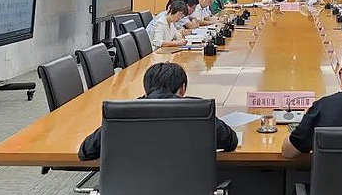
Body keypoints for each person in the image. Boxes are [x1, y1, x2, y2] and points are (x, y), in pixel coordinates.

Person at [78, 62, 238, 160]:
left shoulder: (123, 114)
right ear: (182, 89)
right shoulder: (198, 110)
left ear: (146, 89)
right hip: (188, 192)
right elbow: (230, 141)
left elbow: (86, 152)